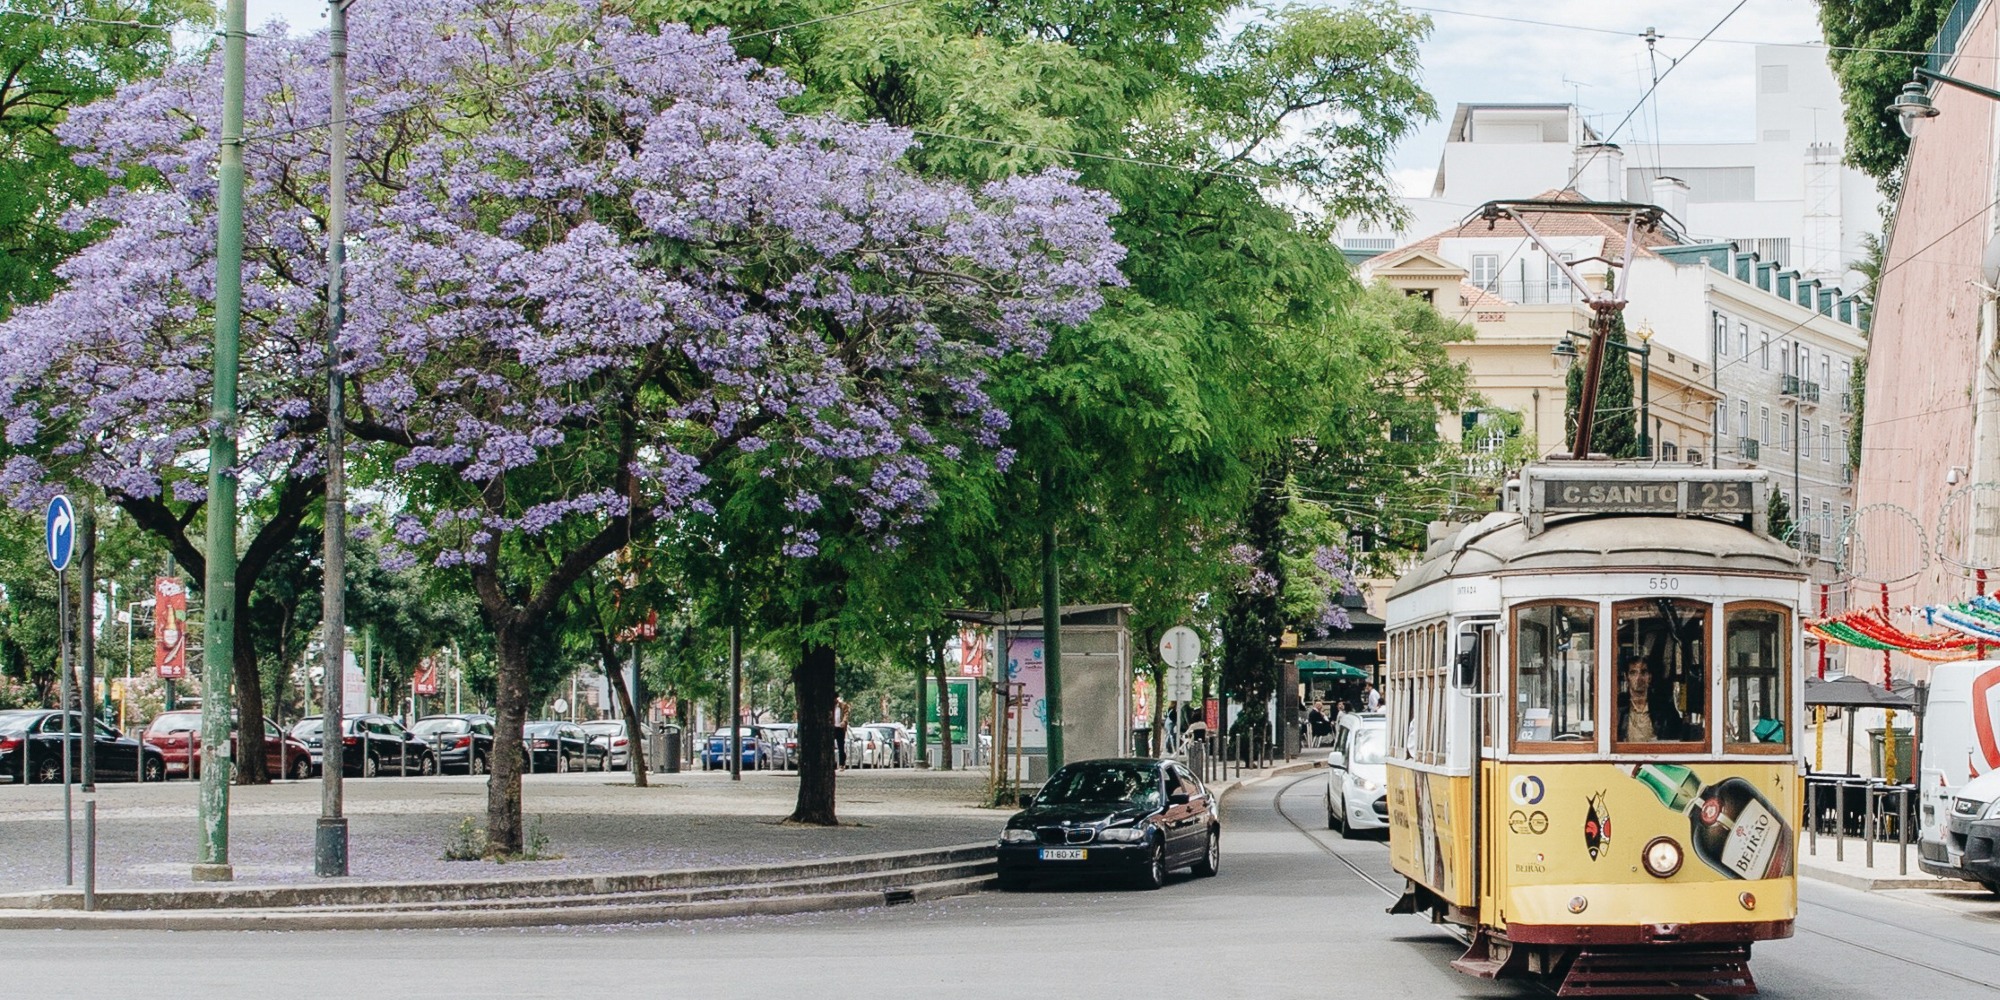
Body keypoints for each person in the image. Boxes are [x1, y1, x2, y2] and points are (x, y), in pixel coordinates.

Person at [1617, 653, 1685, 742]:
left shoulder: (1664, 707)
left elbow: (1678, 738)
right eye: (1633, 673)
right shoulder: (1617, 707)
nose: (1639, 678)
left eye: (1643, 672)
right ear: (1626, 677)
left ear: (1649, 677)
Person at [833, 696, 850, 770]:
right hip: (832, 728)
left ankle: (841, 764)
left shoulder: (843, 706)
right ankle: (832, 764)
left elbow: (846, 714)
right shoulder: (829, 706)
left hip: (840, 728)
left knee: (841, 746)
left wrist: (844, 721)